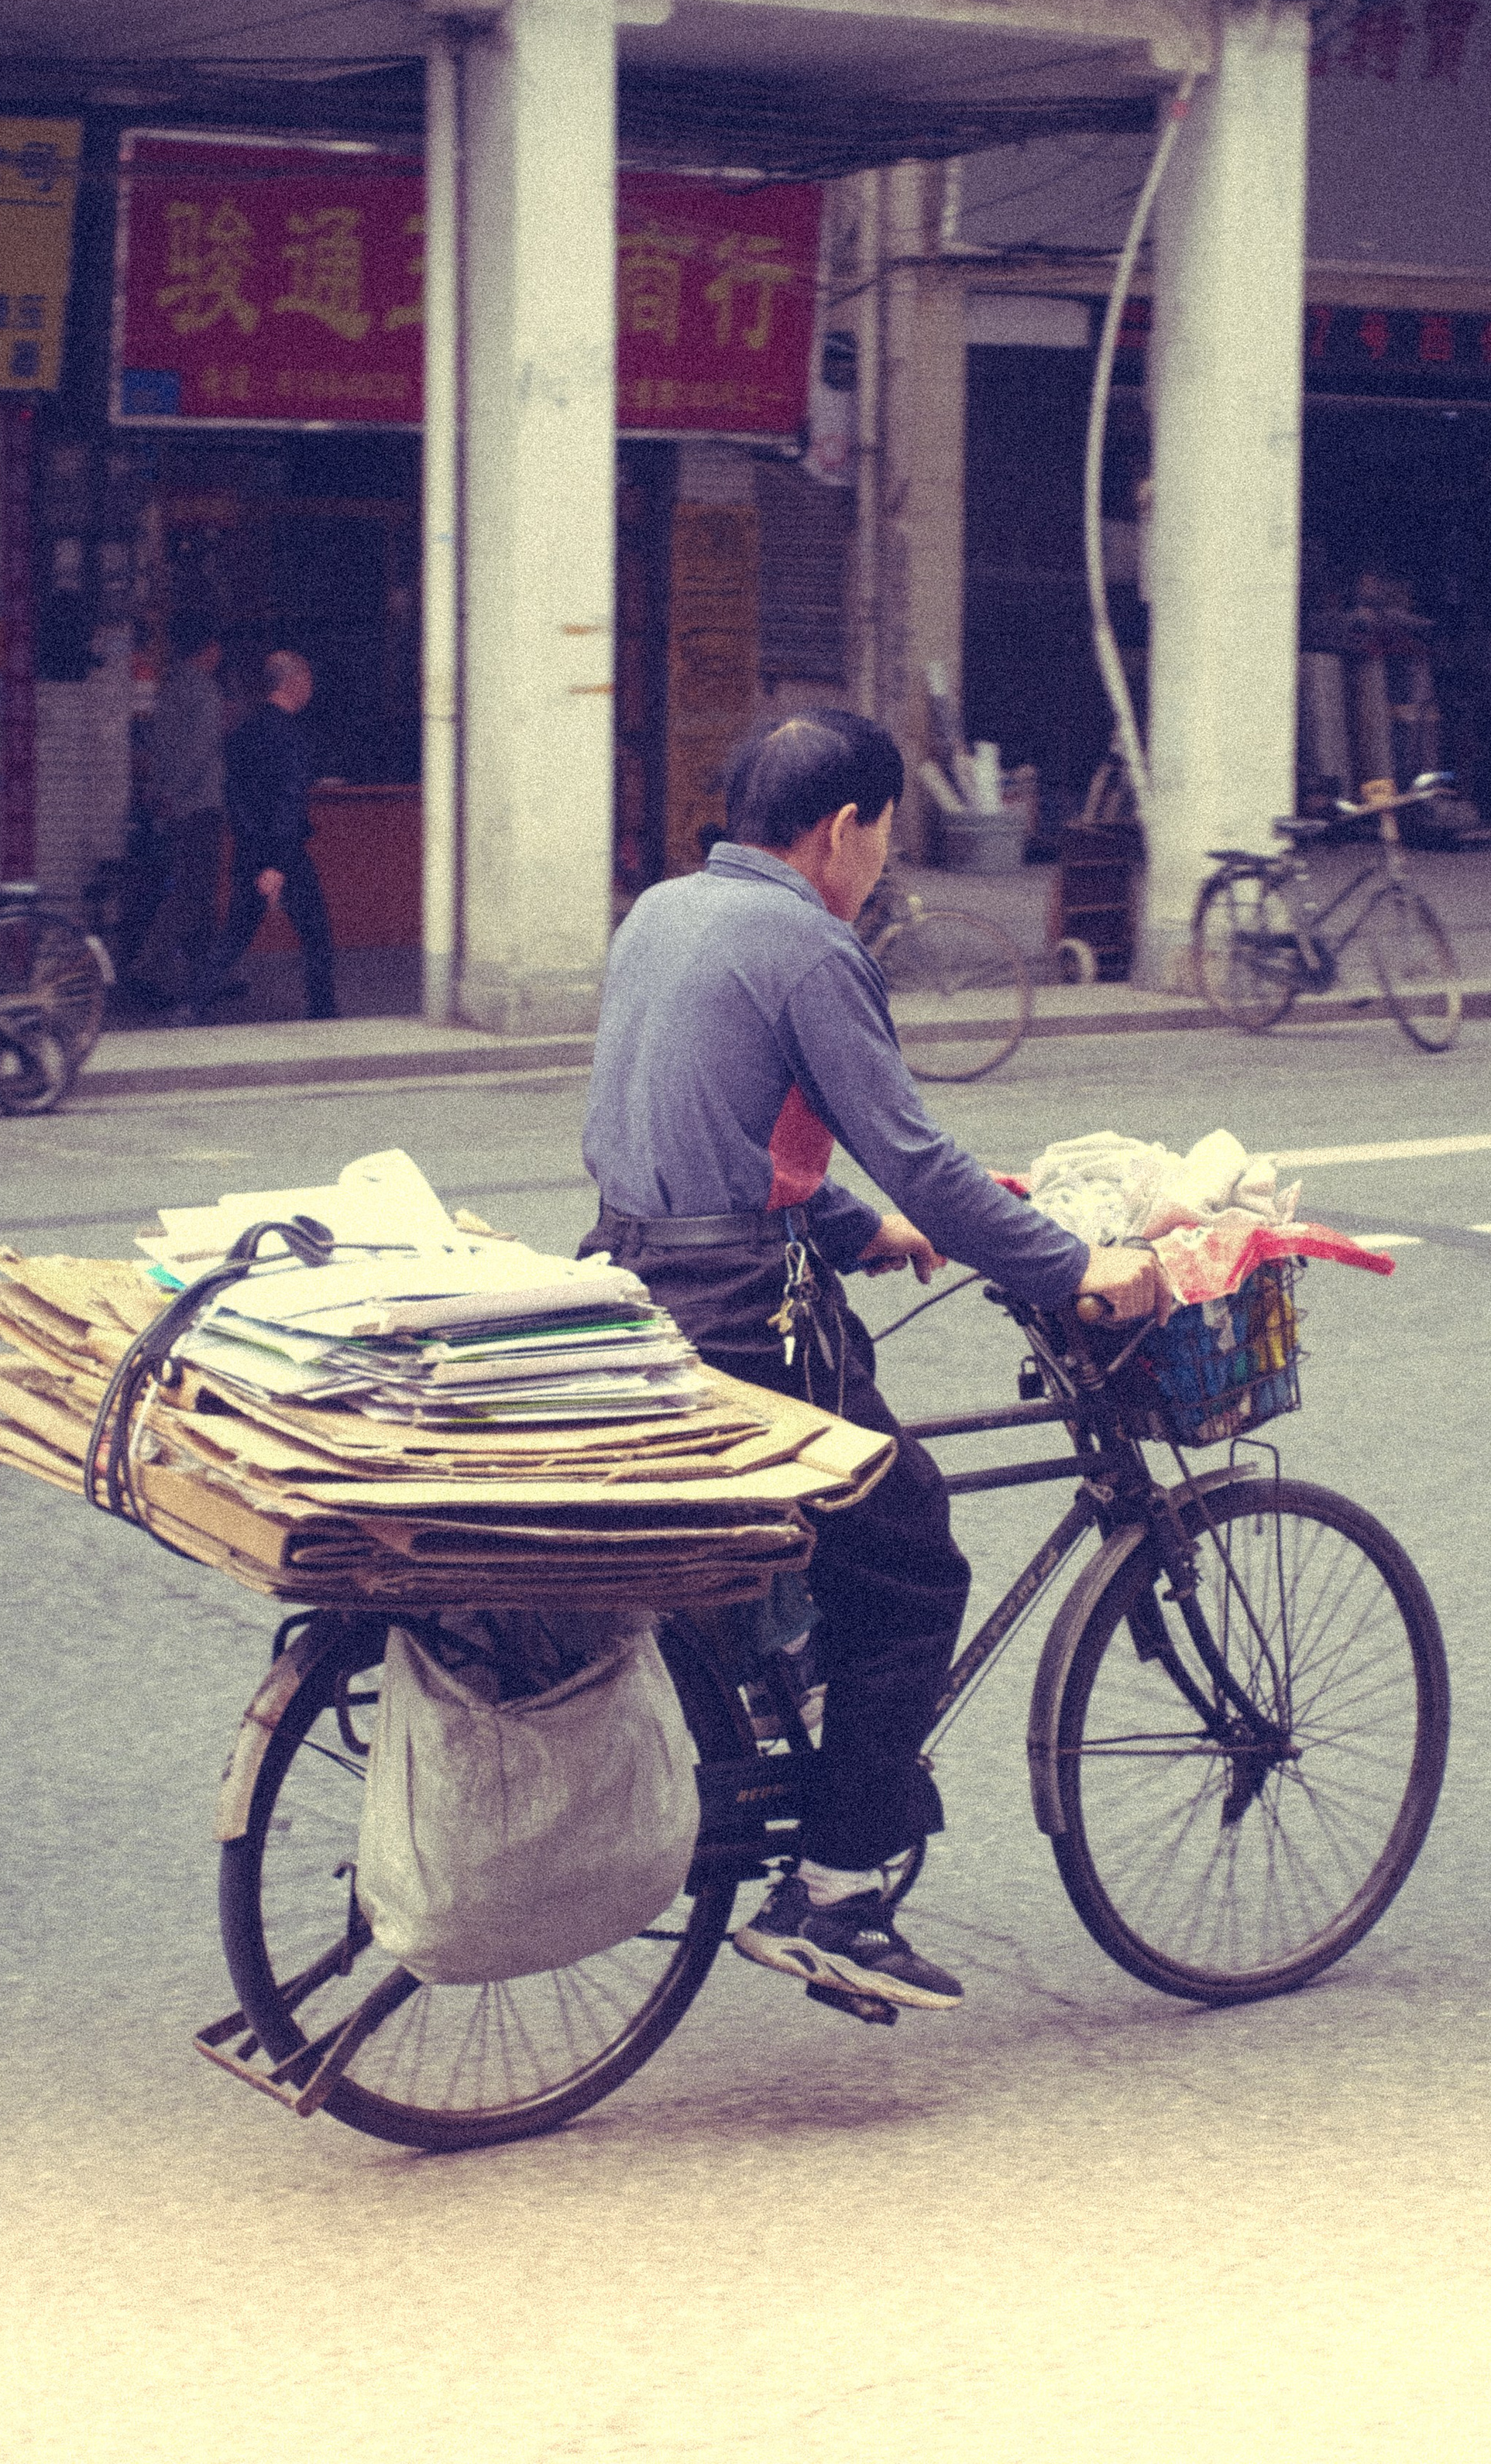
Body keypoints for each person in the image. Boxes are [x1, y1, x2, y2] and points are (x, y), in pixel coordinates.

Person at [580, 707, 1170, 2013]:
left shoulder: (661, 914)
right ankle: (842, 1892)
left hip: (628, 1276)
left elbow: (707, 1131)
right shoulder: (810, 944)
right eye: (885, 833)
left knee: (828, 1534)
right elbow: (918, 1153)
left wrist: (861, 1230)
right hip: (740, 1310)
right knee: (909, 1559)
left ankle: (803, 1730)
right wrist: (1074, 1269)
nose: (882, 858)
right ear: (843, 829)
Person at [194, 648, 337, 1021]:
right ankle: (324, 1014)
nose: (310, 687)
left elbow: (236, 798)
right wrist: (276, 864)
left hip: (249, 849)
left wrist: (254, 853)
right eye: (306, 679)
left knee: (237, 932)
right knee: (316, 935)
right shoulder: (291, 737)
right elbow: (288, 801)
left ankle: (194, 1002)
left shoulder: (243, 732)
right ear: (292, 683)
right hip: (284, 854)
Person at [120, 610, 226, 1011]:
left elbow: (157, 747)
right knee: (192, 893)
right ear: (210, 649)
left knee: (195, 892)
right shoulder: (204, 691)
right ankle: (146, 971)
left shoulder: (169, 686)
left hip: (174, 804)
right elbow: (200, 753)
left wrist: (162, 793)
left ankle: (211, 974)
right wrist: (179, 794)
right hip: (198, 805)